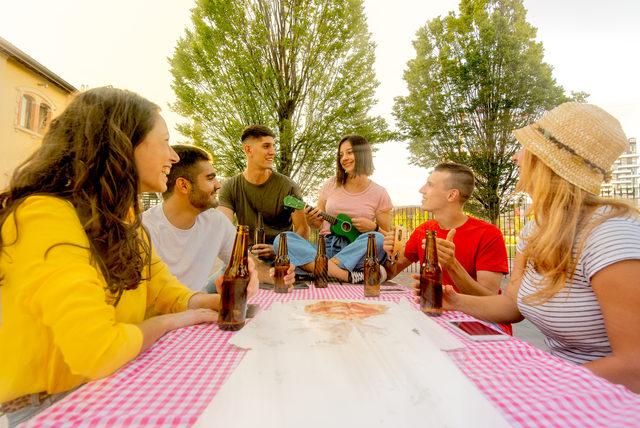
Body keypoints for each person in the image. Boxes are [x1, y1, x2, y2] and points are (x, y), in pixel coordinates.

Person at [0, 87, 258, 426]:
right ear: (123, 145)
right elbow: (98, 350)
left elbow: (165, 291)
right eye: (164, 142)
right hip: (51, 404)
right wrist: (171, 322)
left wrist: (215, 300)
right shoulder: (44, 216)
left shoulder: (124, 220)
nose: (173, 156)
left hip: (111, 381)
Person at [429, 103, 640, 393]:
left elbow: (633, 368)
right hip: (563, 381)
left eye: (525, 148)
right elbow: (513, 305)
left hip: (610, 399)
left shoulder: (611, 235)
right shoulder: (537, 228)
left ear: (546, 162)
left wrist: (532, 383)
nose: (516, 156)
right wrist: (452, 301)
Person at [142, 144, 294, 291]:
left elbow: (247, 262)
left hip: (196, 308)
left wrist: (276, 275)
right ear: (183, 185)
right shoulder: (142, 230)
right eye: (210, 178)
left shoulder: (216, 222)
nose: (218, 185)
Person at [276, 134, 393, 283]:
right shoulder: (330, 184)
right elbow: (317, 225)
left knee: (378, 239)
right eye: (341, 155)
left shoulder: (379, 193)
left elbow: (388, 238)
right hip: (326, 247)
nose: (344, 158)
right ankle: (346, 275)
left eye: (349, 152)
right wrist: (312, 220)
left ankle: (317, 269)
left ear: (363, 154)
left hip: (356, 250)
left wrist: (374, 227)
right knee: (282, 240)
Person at [218, 125, 308, 261]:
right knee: (211, 283)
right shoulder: (230, 187)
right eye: (266, 146)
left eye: (273, 146)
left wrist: (278, 250)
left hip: (281, 258)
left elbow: (303, 229)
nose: (272, 152)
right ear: (248, 150)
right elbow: (223, 229)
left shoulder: (288, 186)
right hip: (246, 258)